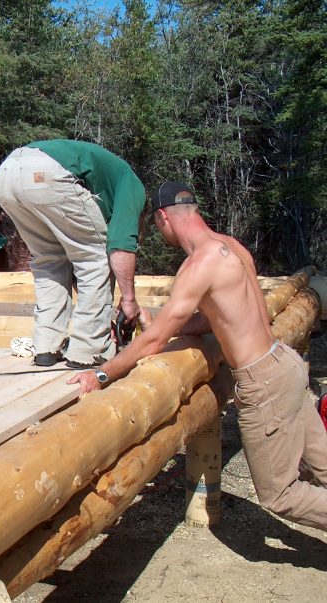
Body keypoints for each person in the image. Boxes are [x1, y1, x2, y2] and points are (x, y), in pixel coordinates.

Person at [68, 182, 327, 531]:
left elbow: (153, 342)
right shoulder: (230, 247)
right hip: (285, 363)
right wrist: (166, 323)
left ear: (163, 217)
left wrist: (101, 374)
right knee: (323, 467)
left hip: (263, 381)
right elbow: (228, 315)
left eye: (157, 227)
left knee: (280, 494)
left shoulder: (197, 266)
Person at [0, 139, 145, 369]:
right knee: (97, 259)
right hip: (47, 173)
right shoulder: (132, 186)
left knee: (48, 260)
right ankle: (89, 349)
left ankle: (46, 346)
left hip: (6, 174)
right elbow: (120, 248)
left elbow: (73, 258)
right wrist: (129, 300)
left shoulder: (107, 176)